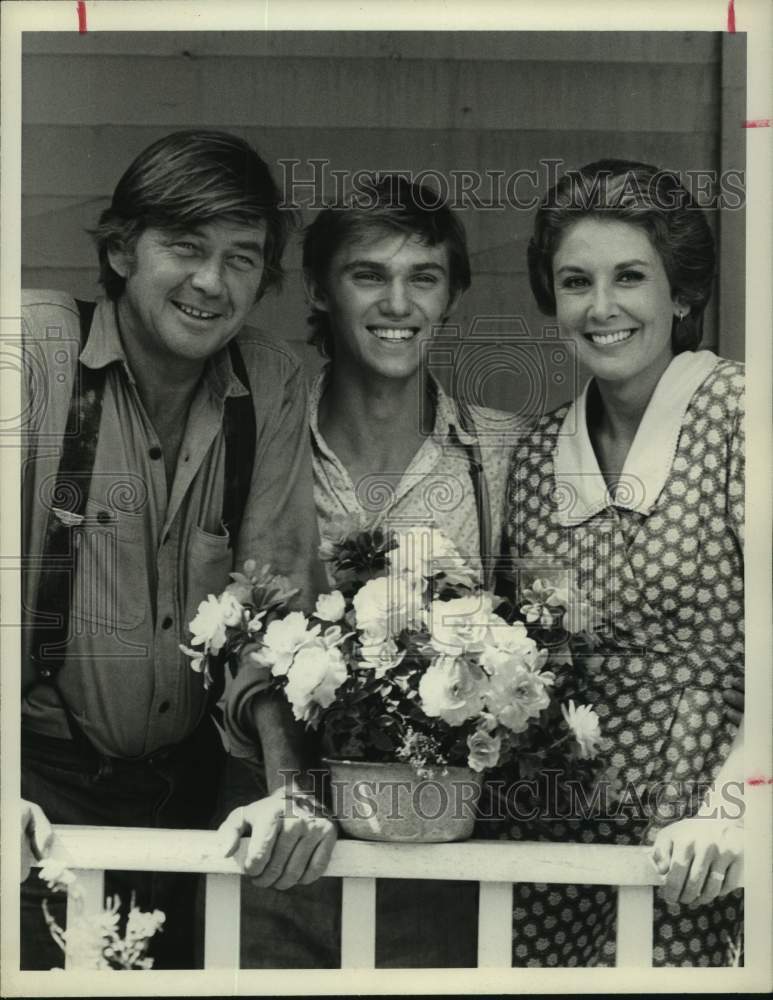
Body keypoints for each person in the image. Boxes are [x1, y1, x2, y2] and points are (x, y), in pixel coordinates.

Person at [19, 130, 335, 970]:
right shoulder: (34, 354)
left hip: (187, 797)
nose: (210, 282)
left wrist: (287, 792)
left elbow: (276, 612)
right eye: (184, 247)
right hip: (33, 784)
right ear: (122, 249)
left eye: (241, 258)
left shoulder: (267, 383)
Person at [223, 174, 520, 967]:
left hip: (438, 858)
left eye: (422, 277)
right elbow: (222, 626)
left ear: (449, 295)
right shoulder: (258, 436)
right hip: (279, 843)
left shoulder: (500, 453)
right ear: (319, 291)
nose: (397, 303)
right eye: (368, 276)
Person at [504, 159, 744, 966]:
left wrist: (734, 806)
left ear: (680, 296)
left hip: (709, 843)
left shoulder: (743, 415)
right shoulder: (536, 453)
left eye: (629, 278)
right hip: (556, 848)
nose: (599, 307)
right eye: (575, 282)